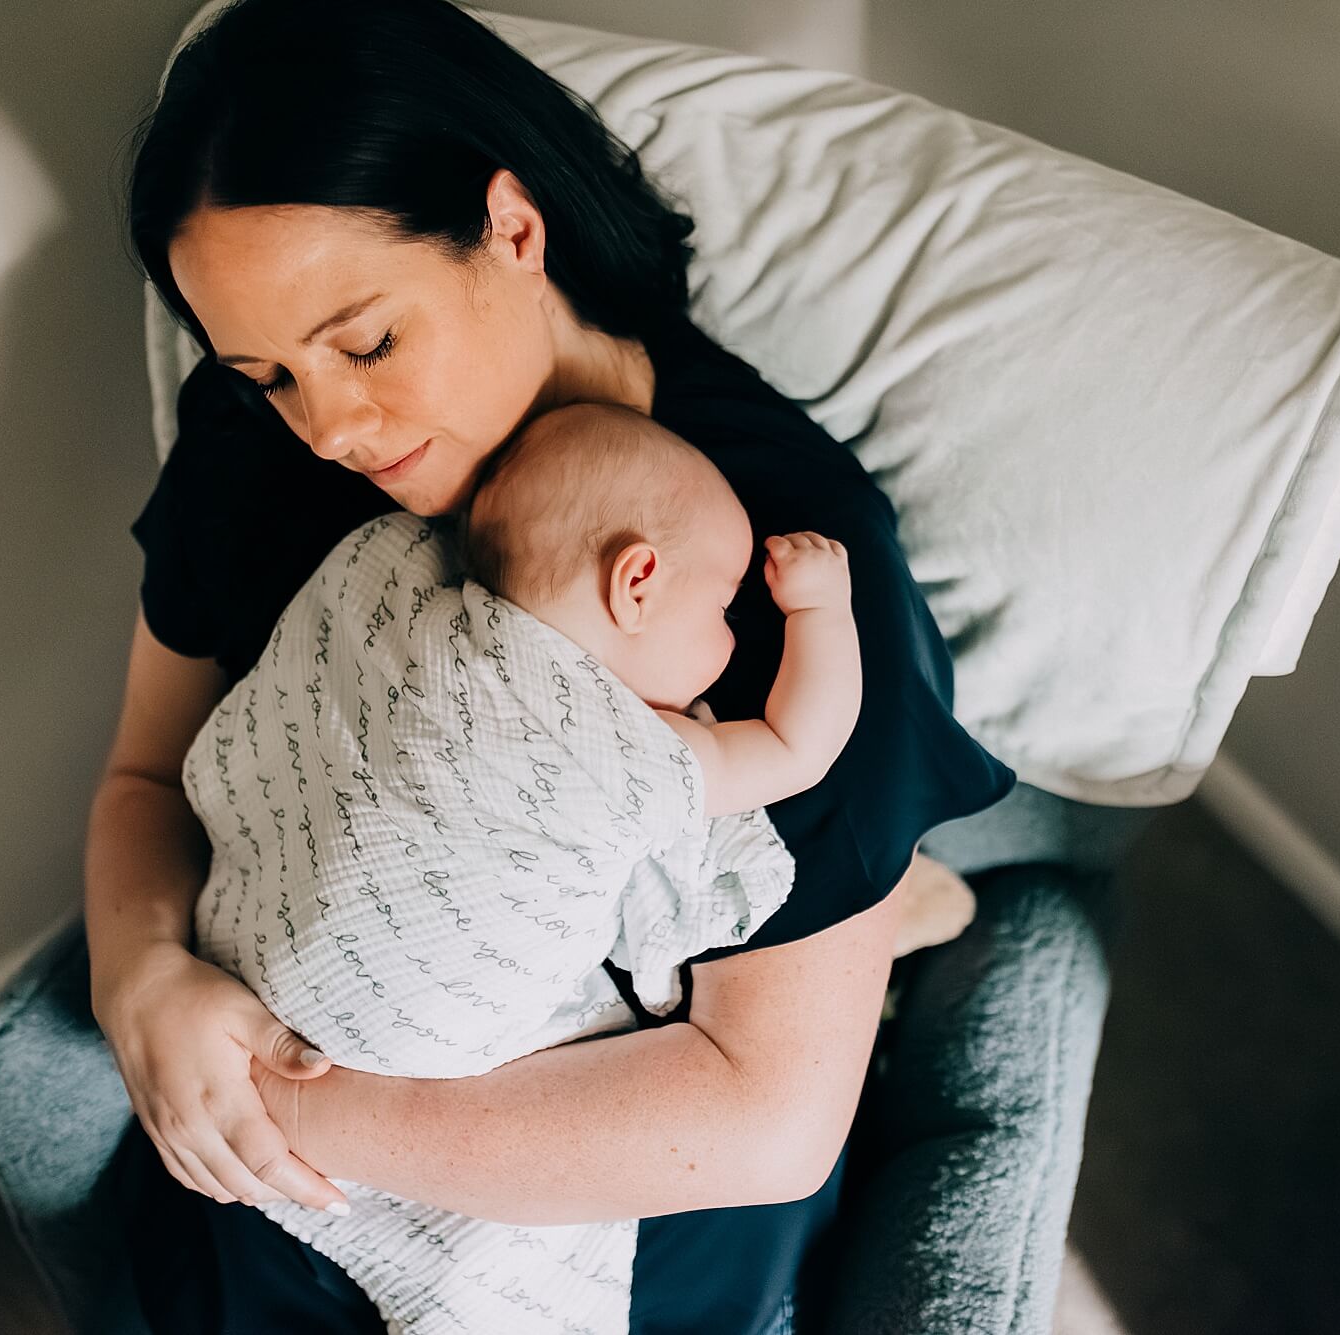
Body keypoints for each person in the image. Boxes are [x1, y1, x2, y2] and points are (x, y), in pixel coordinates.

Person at [80, 0, 1016, 1329]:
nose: (331, 424)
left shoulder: (753, 556)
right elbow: (144, 776)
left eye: (368, 340)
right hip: (281, 1097)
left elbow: (762, 1114)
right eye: (268, 369)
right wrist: (145, 982)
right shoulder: (256, 452)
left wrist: (291, 1106)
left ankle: (881, 910)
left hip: (581, 1184)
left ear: (514, 229)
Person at [181, 402, 862, 1333]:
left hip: (242, 957)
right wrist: (820, 606)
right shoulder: (622, 748)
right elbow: (798, 743)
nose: (733, 638)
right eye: (723, 604)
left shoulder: (401, 582)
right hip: (396, 1033)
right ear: (638, 581)